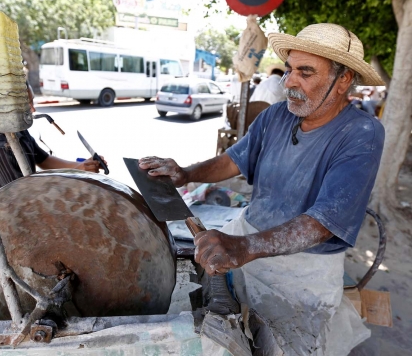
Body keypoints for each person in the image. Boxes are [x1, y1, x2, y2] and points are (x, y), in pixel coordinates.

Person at [139, 23, 385, 355]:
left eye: (305, 72)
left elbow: (324, 223)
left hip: (302, 270)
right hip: (247, 236)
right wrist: (186, 173)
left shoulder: (362, 133)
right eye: (289, 70)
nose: (289, 82)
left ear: (342, 80)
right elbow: (233, 160)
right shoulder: (276, 116)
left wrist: (244, 247)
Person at [0, 85, 107, 214]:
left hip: (21, 204)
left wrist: (81, 167)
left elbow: (44, 160)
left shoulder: (18, 131)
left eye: (32, 102)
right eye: (26, 104)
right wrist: (74, 177)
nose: (33, 109)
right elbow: (18, 197)